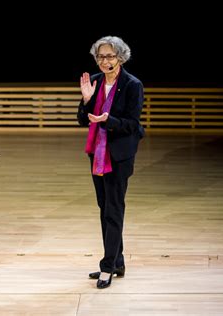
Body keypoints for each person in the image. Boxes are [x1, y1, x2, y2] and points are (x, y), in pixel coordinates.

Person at [77, 36, 144, 289]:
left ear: (121, 58)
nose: (105, 61)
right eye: (101, 56)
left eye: (110, 56)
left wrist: (108, 120)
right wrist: (86, 100)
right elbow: (83, 120)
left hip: (119, 155)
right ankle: (118, 262)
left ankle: (107, 267)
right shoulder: (94, 82)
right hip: (97, 153)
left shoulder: (132, 85)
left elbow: (132, 124)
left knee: (114, 209)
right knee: (105, 208)